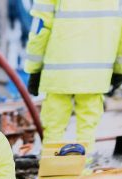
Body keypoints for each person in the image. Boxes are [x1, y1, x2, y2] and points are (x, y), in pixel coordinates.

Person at [24, 0, 122, 152]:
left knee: (54, 128)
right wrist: (118, 70)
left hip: (58, 74)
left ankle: (52, 171)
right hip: (95, 75)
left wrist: (34, 69)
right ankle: (83, 170)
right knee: (87, 129)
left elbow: (40, 28)